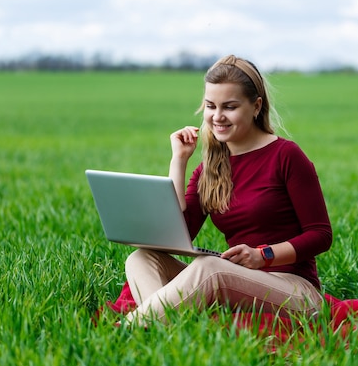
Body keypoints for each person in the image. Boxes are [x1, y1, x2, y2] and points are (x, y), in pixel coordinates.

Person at [123, 54, 333, 326]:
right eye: (210, 106)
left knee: (210, 268)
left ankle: (129, 328)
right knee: (142, 258)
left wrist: (262, 255)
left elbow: (321, 235)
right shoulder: (209, 168)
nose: (217, 116)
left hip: (295, 291)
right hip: (236, 283)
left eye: (229, 107)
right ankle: (165, 326)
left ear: (256, 106)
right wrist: (179, 160)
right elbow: (176, 235)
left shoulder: (286, 155)